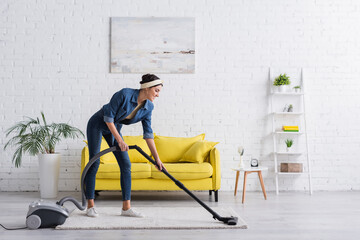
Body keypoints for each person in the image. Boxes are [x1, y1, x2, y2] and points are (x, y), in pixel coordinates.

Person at [85, 73, 165, 218]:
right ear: (147, 88)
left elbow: (148, 134)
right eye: (157, 90)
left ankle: (126, 208)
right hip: (97, 125)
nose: (158, 95)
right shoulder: (124, 94)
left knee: (126, 165)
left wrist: (157, 159)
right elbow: (108, 118)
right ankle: (90, 206)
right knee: (94, 162)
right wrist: (120, 141)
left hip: (114, 128)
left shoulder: (149, 107)